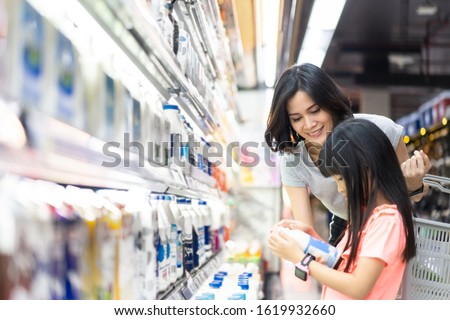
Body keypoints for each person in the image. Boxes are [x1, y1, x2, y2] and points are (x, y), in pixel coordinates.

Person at [264, 63, 430, 245]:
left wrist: (414, 183)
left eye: (315, 111)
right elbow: (306, 233)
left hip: (391, 221)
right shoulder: (293, 160)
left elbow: (416, 195)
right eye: (297, 118)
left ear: (329, 102)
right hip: (346, 226)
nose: (309, 124)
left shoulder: (380, 130)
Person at [268, 118, 416, 299]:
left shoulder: (387, 222)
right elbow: (340, 263)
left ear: (365, 168)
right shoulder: (366, 217)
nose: (339, 189)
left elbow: (358, 286)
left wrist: (301, 259)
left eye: (340, 179)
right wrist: (311, 237)